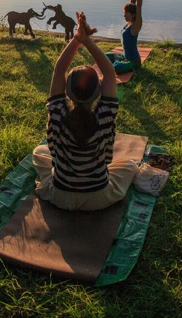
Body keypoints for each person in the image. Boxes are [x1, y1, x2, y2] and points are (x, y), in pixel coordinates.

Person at [32, 12, 140, 211]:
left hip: (60, 195)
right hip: (98, 197)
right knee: (130, 165)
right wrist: (87, 40)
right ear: (98, 91)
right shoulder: (105, 115)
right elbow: (109, 73)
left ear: (67, 91)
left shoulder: (57, 112)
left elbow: (59, 70)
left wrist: (77, 40)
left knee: (39, 152)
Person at [106, 0, 144, 74]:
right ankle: (119, 60)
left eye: (126, 14)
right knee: (104, 57)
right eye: (124, 13)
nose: (124, 15)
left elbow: (138, 7)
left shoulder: (135, 26)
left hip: (133, 62)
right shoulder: (129, 24)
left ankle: (119, 63)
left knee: (115, 68)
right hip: (125, 57)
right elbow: (133, 4)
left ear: (133, 15)